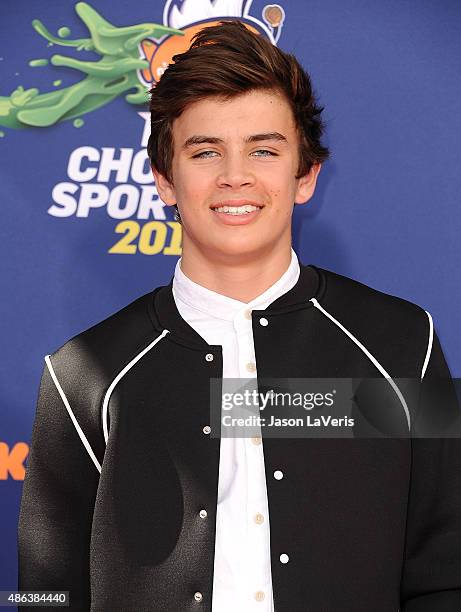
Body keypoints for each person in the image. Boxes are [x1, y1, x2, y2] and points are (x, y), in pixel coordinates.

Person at [18, 19, 461, 612]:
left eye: (263, 149)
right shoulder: (82, 375)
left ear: (305, 175)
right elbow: (45, 592)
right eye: (205, 152)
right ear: (164, 180)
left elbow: (443, 570)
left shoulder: (403, 344)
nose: (235, 177)